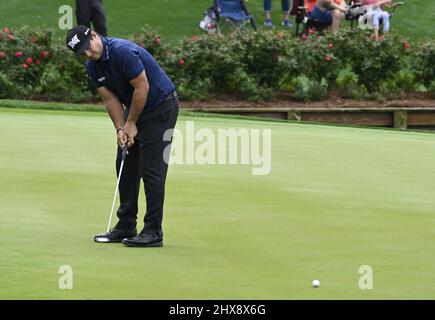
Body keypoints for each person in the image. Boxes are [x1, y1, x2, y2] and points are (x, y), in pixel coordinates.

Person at [65, 25, 179, 247]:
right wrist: (121, 129)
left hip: (160, 106)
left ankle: (153, 231)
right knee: (125, 163)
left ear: (95, 35)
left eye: (88, 47)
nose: (88, 54)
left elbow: (142, 87)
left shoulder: (122, 51)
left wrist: (131, 123)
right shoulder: (93, 67)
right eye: (83, 53)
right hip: (136, 108)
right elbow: (111, 100)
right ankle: (126, 225)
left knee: (152, 168)